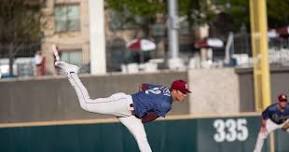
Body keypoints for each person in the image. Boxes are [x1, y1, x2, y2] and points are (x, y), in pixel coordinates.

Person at [54, 61, 191, 152]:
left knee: (142, 140)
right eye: (183, 92)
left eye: (185, 92)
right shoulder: (166, 104)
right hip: (124, 104)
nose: (184, 95)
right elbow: (147, 119)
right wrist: (139, 106)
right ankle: (72, 72)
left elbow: (143, 86)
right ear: (175, 90)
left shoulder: (163, 89)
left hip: (129, 110)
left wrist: (142, 102)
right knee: (86, 104)